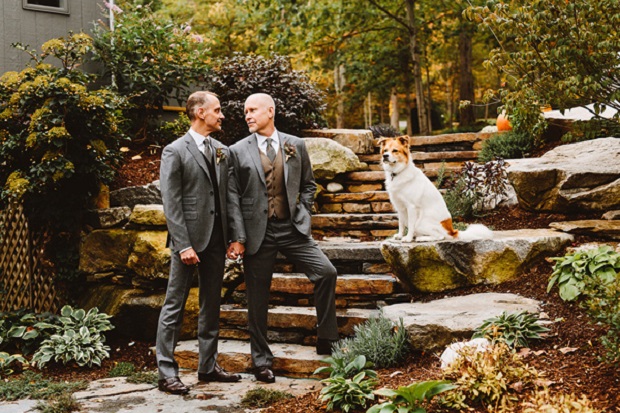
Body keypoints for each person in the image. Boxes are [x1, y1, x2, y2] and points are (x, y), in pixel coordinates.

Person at [227, 93, 339, 384]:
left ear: (270, 111)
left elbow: (309, 184)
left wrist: (303, 211)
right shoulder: (237, 150)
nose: (247, 115)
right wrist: (238, 236)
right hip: (257, 234)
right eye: (245, 111)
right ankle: (261, 362)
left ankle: (327, 338)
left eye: (253, 110)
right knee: (257, 298)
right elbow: (232, 198)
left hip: (293, 230)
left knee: (326, 272)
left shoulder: (295, 144)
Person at [156, 91, 241, 395]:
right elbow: (172, 202)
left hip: (217, 240)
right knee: (174, 305)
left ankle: (208, 366)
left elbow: (230, 197)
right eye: (217, 110)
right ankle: (166, 372)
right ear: (200, 112)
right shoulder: (174, 151)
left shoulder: (222, 150)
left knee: (211, 304)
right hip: (188, 242)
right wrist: (183, 244)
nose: (222, 115)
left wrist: (235, 237)